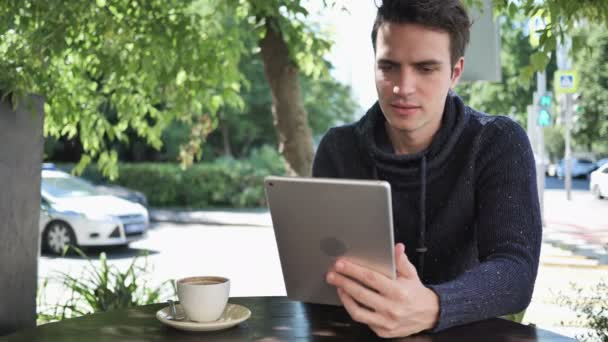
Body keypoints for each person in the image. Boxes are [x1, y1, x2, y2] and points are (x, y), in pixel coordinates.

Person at [313, 0, 542, 338]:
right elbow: (318, 270)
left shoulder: (496, 142)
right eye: (388, 66)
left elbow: (516, 272)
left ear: (455, 72)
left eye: (425, 68)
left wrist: (434, 304)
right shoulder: (339, 149)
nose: (403, 87)